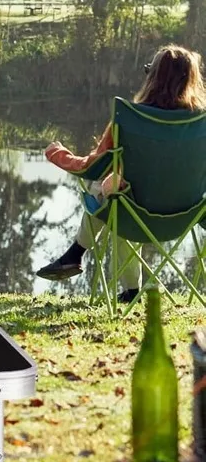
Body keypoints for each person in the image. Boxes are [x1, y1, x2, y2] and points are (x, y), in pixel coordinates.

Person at [37, 44, 206, 302]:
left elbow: (91, 167)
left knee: (112, 195)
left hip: (134, 216)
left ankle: (78, 255)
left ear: (153, 78)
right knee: (120, 194)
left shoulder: (129, 118)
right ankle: (125, 288)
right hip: (185, 217)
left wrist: (57, 154)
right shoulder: (201, 123)